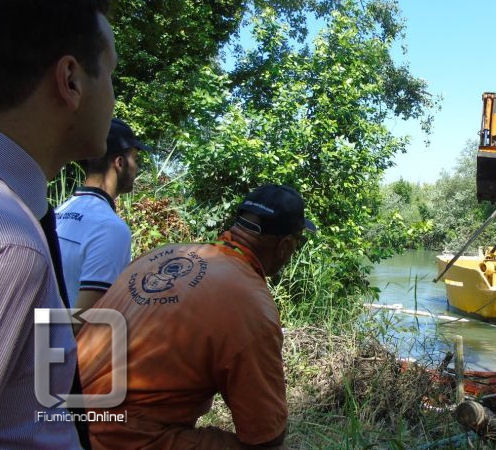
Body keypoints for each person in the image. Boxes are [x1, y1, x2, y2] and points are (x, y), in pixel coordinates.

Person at [78, 184, 315, 449]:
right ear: (285, 246)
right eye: (297, 244)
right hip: (116, 435)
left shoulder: (160, 256)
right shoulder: (252, 305)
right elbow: (266, 434)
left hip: (62, 414)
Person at [0, 0, 116, 448]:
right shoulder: (14, 244)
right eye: (110, 74)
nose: (113, 96)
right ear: (70, 80)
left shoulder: (29, 212)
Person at [57, 118, 149, 310]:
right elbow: (87, 320)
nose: (137, 168)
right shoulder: (110, 229)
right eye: (136, 159)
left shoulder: (59, 212)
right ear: (120, 163)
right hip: (59, 340)